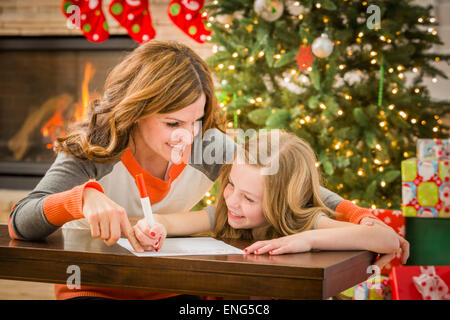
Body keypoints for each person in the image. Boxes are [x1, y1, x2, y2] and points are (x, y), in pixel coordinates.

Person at [8, 41, 406, 300]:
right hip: (95, 290)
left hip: (182, 291)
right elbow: (22, 221)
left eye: (196, 121)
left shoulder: (206, 146)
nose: (188, 137)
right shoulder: (94, 150)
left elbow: (292, 187)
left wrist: (362, 218)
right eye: (172, 124)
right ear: (137, 111)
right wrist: (85, 197)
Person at [138, 130, 405, 267]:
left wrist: (305, 239)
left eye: (249, 199)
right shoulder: (224, 213)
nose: (232, 201)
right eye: (231, 185)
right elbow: (168, 222)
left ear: (283, 202)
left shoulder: (304, 223)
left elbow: (387, 239)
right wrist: (155, 225)